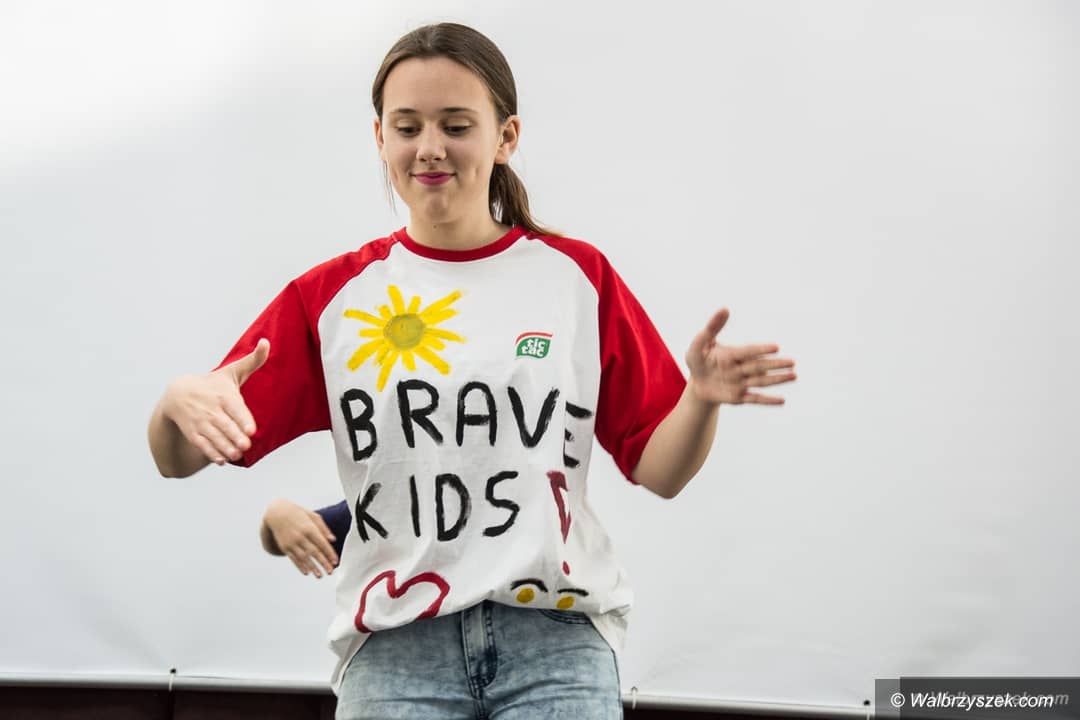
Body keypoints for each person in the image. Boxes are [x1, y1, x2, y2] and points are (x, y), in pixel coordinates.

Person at [148, 21, 796, 719]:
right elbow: (177, 458)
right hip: (395, 655)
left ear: (505, 137)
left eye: (456, 126)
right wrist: (175, 403)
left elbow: (661, 470)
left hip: (557, 649)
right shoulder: (331, 299)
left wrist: (700, 399)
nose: (430, 147)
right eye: (407, 127)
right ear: (380, 139)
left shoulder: (575, 280)